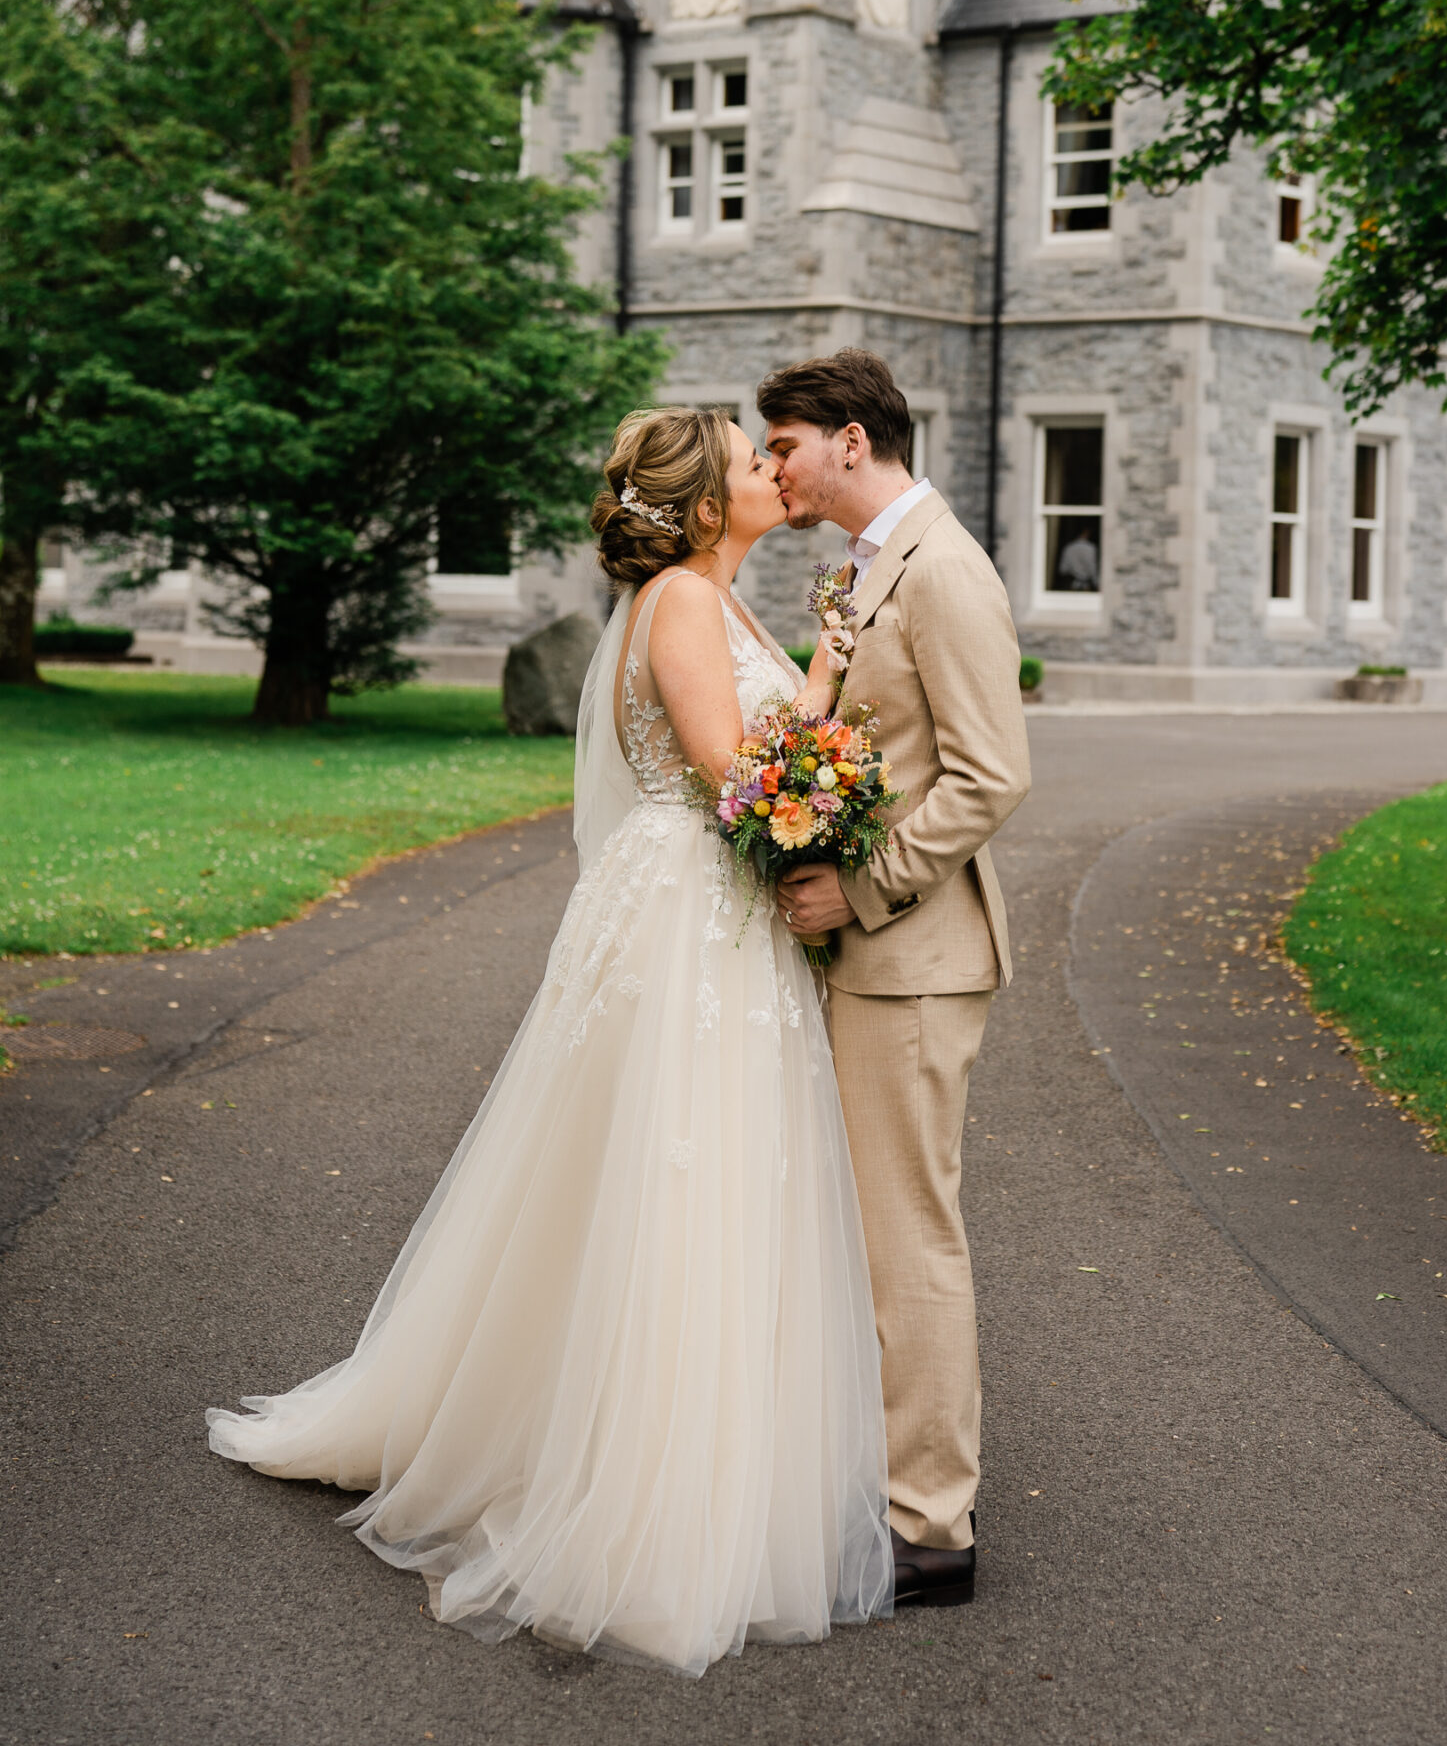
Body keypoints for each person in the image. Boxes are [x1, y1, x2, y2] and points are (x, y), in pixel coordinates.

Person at [207, 408, 893, 1675]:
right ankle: (638, 1498)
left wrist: (827, 681)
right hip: (693, 912)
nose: (769, 470)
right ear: (702, 508)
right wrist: (825, 745)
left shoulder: (718, 599)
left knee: (686, 1183)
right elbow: (732, 772)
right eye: (751, 461)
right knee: (679, 1181)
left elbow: (767, 747)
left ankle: (677, 1455)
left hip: (708, 911)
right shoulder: (686, 604)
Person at [759, 349, 1032, 1612]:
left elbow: (989, 775)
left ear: (853, 440)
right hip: (860, 960)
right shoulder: (868, 568)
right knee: (865, 1232)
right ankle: (881, 1487)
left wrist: (856, 892)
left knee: (909, 1235)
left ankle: (930, 1526)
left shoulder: (950, 571)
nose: (775, 469)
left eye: (788, 447)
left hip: (915, 963)